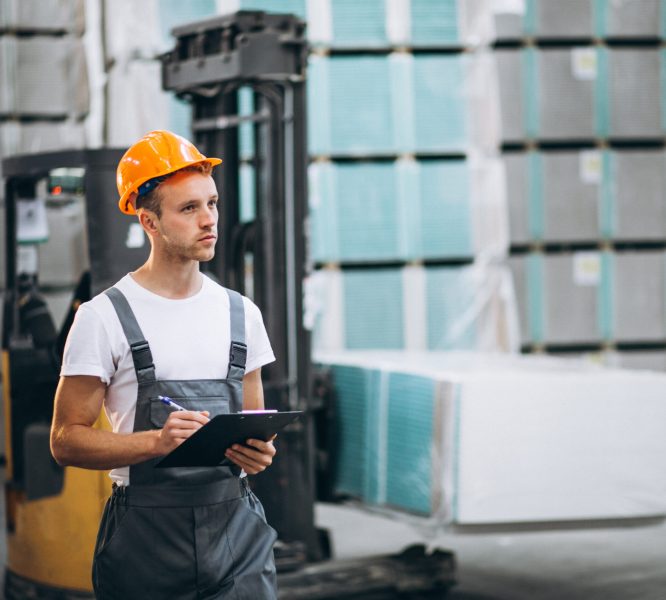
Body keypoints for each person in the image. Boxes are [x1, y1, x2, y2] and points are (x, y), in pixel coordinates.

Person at [50, 130, 279, 599]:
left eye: (211, 203)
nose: (209, 220)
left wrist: (259, 454)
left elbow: (255, 426)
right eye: (189, 208)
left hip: (236, 528)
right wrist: (156, 442)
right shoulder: (103, 317)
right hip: (145, 536)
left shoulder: (241, 313)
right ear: (148, 221)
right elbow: (64, 441)